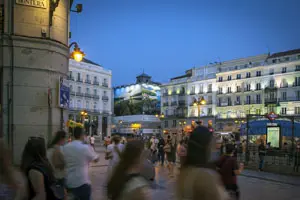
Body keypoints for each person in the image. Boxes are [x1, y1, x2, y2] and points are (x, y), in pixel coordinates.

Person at [177, 126, 229, 200]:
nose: (213, 148)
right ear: (205, 147)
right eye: (211, 145)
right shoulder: (206, 176)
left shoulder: (183, 172)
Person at [63, 127, 99, 200]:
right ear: (82, 135)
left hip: (68, 182)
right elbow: (96, 159)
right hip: (82, 183)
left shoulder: (65, 147)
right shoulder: (85, 147)